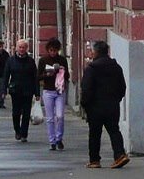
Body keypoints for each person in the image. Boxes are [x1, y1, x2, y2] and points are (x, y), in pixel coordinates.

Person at [80, 40, 129, 169]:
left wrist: (85, 104)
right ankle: (120, 155)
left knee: (95, 133)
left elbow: (86, 88)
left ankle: (94, 160)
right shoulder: (116, 67)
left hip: (95, 107)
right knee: (114, 130)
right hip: (112, 105)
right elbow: (122, 87)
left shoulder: (91, 68)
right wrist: (116, 99)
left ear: (95, 52)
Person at [2, 38, 39, 142]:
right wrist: (3, 91)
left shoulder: (31, 61)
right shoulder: (11, 60)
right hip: (15, 90)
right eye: (20, 47)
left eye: (24, 47)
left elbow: (35, 77)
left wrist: (37, 93)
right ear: (16, 48)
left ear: (26, 49)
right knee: (16, 113)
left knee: (26, 113)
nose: (22, 49)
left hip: (28, 90)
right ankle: (17, 130)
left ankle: (24, 134)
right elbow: (6, 76)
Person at [37, 37, 70, 150]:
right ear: (48, 50)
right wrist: (47, 74)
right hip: (48, 91)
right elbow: (38, 76)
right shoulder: (43, 60)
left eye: (55, 50)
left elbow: (67, 77)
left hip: (59, 90)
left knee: (60, 116)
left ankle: (59, 138)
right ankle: (52, 141)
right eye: (51, 50)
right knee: (50, 118)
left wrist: (62, 70)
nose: (53, 52)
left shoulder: (62, 60)